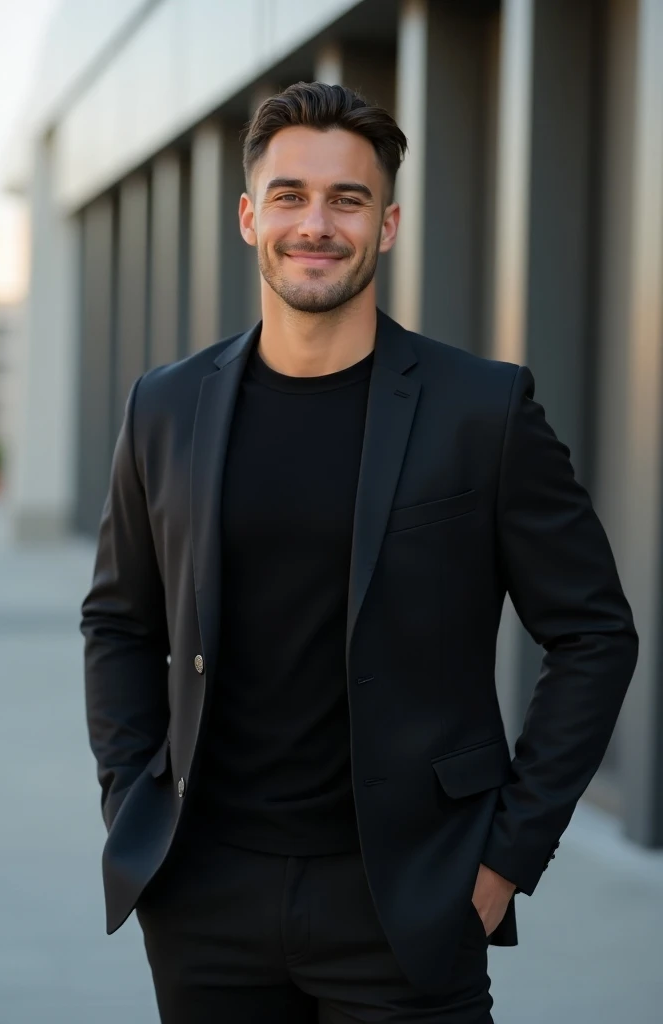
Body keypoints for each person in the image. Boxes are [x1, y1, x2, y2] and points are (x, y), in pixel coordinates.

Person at [81, 82, 638, 1024]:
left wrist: (507, 858)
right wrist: (132, 805)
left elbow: (593, 635)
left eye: (348, 199)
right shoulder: (164, 406)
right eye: (291, 196)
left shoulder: (482, 409)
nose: (317, 224)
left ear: (386, 226)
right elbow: (118, 621)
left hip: (408, 899)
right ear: (250, 216)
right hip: (204, 897)